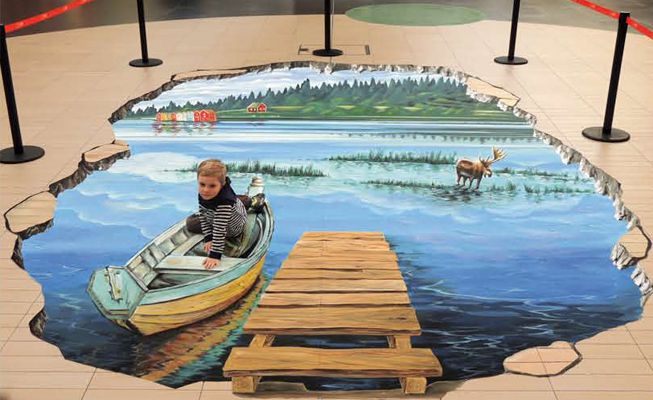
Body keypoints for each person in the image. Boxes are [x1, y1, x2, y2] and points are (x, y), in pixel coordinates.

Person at [195, 159, 248, 269]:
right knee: (191, 222)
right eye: (202, 184)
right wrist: (208, 238)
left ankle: (250, 201)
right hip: (215, 216)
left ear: (222, 185)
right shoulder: (204, 193)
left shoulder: (224, 202)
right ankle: (242, 200)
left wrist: (215, 256)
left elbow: (219, 229)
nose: (205, 190)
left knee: (236, 202)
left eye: (212, 186)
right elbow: (203, 215)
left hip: (231, 230)